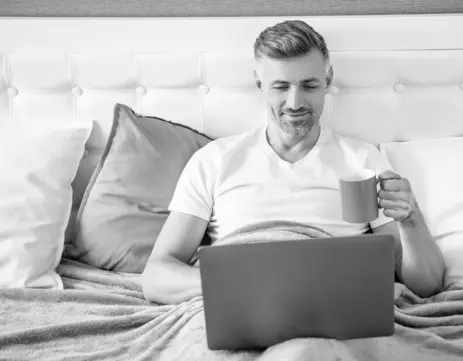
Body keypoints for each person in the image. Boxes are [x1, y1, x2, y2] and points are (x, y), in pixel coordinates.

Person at [141, 20, 445, 305]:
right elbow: (156, 276)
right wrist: (239, 285)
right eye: (281, 87)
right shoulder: (214, 160)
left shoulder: (363, 162)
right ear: (259, 82)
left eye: (309, 86)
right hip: (240, 302)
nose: (296, 103)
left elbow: (426, 286)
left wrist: (411, 219)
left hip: (333, 303)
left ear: (328, 80)